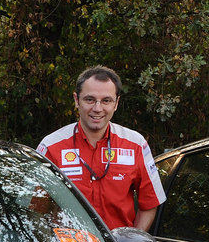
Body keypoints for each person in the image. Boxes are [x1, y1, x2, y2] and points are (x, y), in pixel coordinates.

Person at [36, 66, 166, 231]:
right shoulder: (50, 147)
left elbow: (149, 204)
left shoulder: (136, 145)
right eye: (90, 99)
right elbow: (38, 210)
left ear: (116, 103)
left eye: (106, 100)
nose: (97, 108)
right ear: (76, 100)